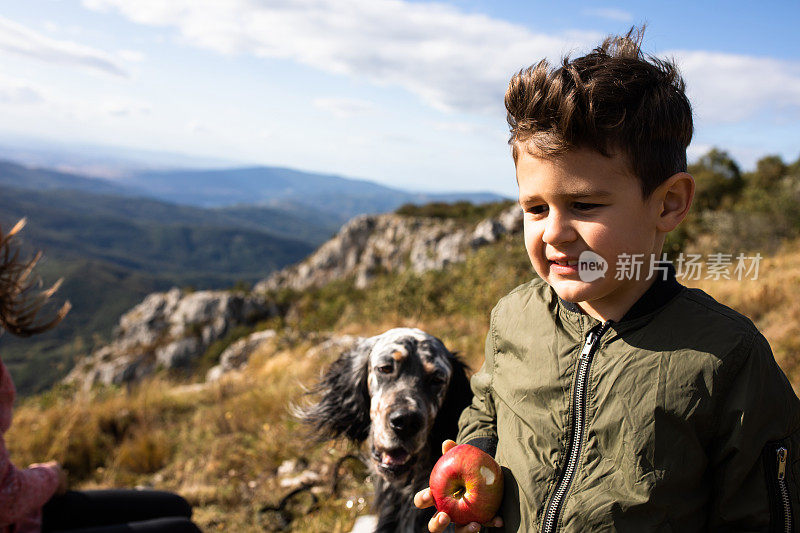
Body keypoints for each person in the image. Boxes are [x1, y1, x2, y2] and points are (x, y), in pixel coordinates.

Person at [414, 25, 800, 532]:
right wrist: (479, 461)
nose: (554, 233)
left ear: (668, 203)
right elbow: (488, 406)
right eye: (534, 207)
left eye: (584, 205)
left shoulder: (726, 357)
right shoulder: (514, 316)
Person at [0, 218, 202, 533]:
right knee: (181, 530)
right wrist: (51, 476)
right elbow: (6, 499)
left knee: (177, 507)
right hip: (17, 516)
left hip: (26, 517)